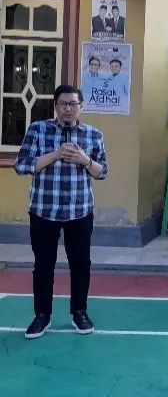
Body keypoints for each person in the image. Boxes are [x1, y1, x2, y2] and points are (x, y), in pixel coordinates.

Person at [14, 85, 108, 339]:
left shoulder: (93, 135)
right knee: (43, 265)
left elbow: (102, 172)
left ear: (81, 107)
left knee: (81, 264)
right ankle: (42, 315)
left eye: (73, 104)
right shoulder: (38, 130)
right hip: (44, 210)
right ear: (55, 106)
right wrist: (56, 155)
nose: (68, 109)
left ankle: (79, 312)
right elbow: (21, 165)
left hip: (80, 210)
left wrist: (84, 160)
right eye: (63, 104)